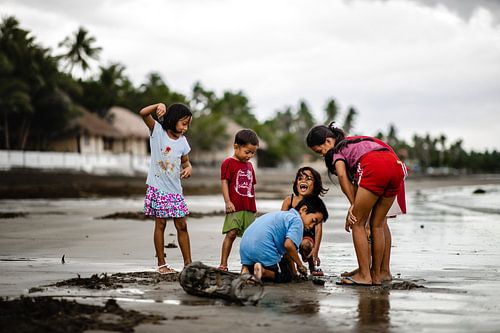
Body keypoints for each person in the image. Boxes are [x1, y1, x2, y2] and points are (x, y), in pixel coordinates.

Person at [306, 123, 407, 286]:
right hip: (395, 166)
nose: (322, 154)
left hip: (374, 166)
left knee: (357, 223)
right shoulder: (354, 142)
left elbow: (342, 175)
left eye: (320, 150)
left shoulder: (337, 151)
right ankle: (378, 274)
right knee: (378, 224)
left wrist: (353, 205)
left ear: (328, 141)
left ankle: (364, 275)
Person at [140, 102, 193, 274]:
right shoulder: (157, 132)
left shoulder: (183, 142)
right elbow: (143, 113)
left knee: (182, 226)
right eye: (184, 123)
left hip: (175, 191)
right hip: (158, 187)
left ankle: (188, 264)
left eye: (188, 125)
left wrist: (188, 168)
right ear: (174, 119)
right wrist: (158, 105)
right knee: (160, 224)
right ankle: (162, 265)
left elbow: (186, 161)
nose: (185, 128)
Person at [240, 196, 329, 283]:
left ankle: (246, 268)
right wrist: (300, 265)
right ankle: (264, 272)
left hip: (244, 247)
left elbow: (287, 254)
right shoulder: (297, 221)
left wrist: (295, 272)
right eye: (313, 221)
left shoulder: (284, 215)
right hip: (262, 248)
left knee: (281, 262)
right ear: (303, 210)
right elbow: (288, 245)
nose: (311, 226)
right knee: (286, 276)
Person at [218, 129, 259, 271]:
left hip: (248, 207)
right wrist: (227, 202)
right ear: (236, 147)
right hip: (234, 206)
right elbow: (224, 182)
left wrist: (253, 208)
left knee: (249, 238)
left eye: (252, 153)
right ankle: (223, 264)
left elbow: (251, 188)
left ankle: (247, 266)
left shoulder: (249, 166)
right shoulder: (228, 163)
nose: (250, 156)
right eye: (247, 152)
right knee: (231, 233)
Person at [281, 166, 328, 276]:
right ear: (296, 182)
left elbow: (318, 230)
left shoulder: (316, 204)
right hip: (290, 236)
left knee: (306, 245)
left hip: (306, 236)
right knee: (286, 247)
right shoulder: (289, 200)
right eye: (300, 178)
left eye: (308, 179)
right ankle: (294, 270)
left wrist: (315, 250)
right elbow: (281, 221)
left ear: (315, 185)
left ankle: (312, 267)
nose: (303, 181)